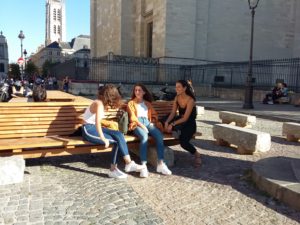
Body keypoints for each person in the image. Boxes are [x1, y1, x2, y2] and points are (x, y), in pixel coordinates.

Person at [82, 84, 145, 179]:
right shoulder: (98, 104)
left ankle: (128, 163)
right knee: (116, 141)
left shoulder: (101, 103)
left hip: (95, 127)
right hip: (88, 129)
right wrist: (103, 138)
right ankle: (114, 169)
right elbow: (98, 123)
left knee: (119, 134)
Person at [127, 83, 172, 178]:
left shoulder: (147, 103)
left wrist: (153, 122)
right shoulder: (131, 103)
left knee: (159, 136)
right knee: (144, 137)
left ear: (143, 92)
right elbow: (132, 118)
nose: (137, 92)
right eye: (135, 90)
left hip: (148, 122)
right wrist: (142, 126)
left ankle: (160, 164)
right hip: (137, 124)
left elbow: (154, 115)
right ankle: (143, 166)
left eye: (139, 90)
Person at [164, 80, 202, 167]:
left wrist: (172, 124)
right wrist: (167, 122)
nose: (176, 88)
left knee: (183, 143)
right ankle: (176, 131)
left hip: (189, 124)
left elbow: (185, 118)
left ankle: (197, 154)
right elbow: (173, 113)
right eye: (176, 86)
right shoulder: (177, 97)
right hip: (180, 121)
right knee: (163, 122)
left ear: (184, 88)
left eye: (178, 87)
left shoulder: (190, 100)